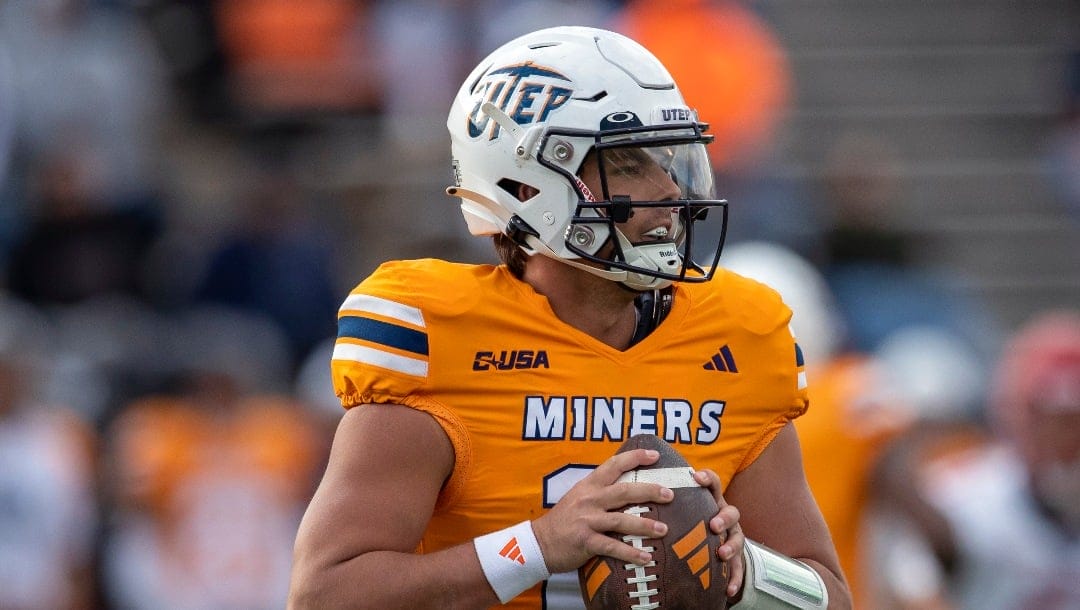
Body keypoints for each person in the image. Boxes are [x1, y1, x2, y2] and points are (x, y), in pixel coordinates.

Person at [288, 26, 851, 610]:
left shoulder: (738, 336)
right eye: (630, 164)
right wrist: (539, 545)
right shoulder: (440, 334)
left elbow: (830, 596)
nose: (668, 189)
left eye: (667, 160)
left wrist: (748, 572)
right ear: (532, 184)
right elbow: (325, 592)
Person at [868, 309, 1080, 609]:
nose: (1072, 442)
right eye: (1062, 422)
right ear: (1021, 417)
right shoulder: (968, 497)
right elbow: (913, 590)